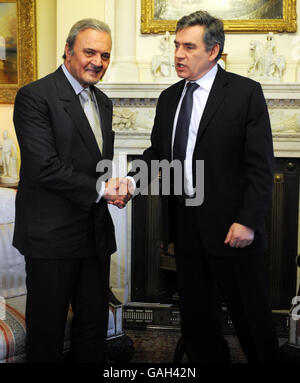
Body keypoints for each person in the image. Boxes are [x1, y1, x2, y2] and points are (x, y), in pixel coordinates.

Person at [126, 10, 279, 363]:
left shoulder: (245, 93)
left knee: (252, 322)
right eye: (177, 45)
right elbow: (156, 154)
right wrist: (130, 182)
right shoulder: (168, 98)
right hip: (187, 231)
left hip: (233, 230)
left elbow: (260, 167)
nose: (178, 54)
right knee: (198, 324)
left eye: (188, 47)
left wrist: (248, 221)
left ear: (213, 51)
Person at [13, 18, 127, 363]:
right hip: (51, 239)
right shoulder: (35, 96)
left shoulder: (103, 101)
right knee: (46, 336)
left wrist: (118, 186)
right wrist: (103, 190)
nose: (98, 62)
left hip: (94, 237)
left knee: (92, 334)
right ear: (68, 50)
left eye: (105, 55)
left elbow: (97, 164)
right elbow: (43, 166)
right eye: (90, 52)